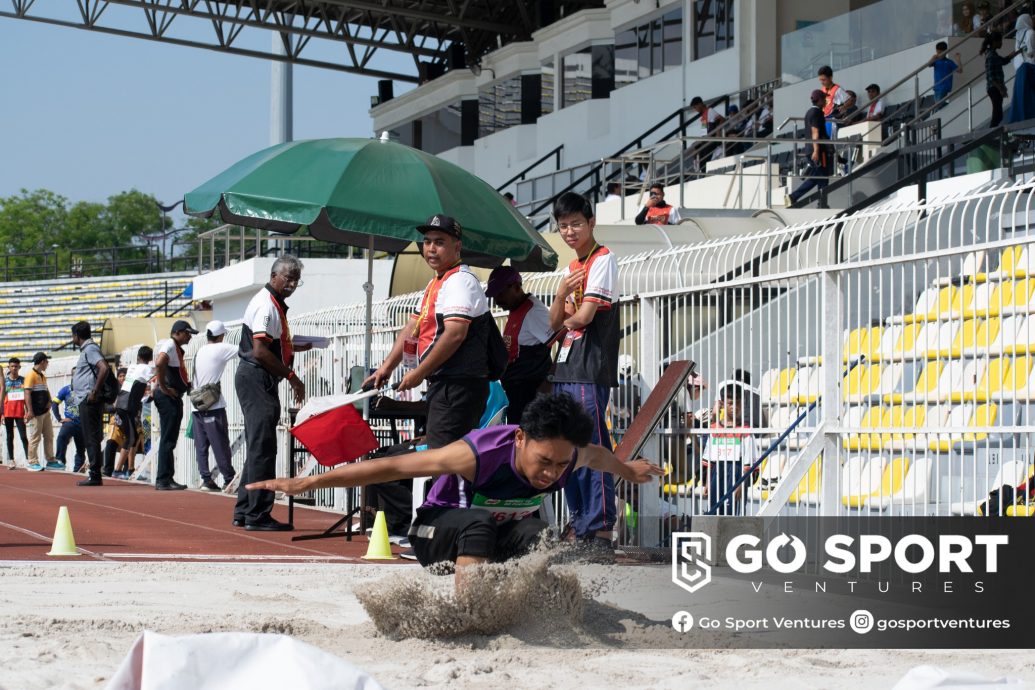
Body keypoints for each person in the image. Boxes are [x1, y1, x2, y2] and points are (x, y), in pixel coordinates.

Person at [247, 393, 664, 586]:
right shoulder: (473, 455)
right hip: (436, 537)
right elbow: (388, 466)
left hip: (490, 539)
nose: (551, 474)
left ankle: (522, 601)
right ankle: (472, 610)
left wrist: (627, 470)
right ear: (519, 439)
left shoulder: (571, 454)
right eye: (543, 462)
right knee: (479, 522)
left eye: (559, 465)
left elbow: (599, 457)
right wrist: (309, 481)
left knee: (538, 535)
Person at [363, 215, 491, 448]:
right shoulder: (437, 282)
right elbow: (412, 327)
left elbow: (455, 334)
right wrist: (386, 367)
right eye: (427, 241)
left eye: (439, 242)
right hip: (444, 384)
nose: (431, 248)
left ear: (457, 246)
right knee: (438, 457)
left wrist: (419, 372)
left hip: (459, 385)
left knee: (443, 462)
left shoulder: (460, 281)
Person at [548, 192, 621, 555]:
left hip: (590, 366)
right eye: (563, 226)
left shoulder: (602, 259)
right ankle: (579, 524)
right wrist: (561, 293)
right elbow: (552, 321)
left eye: (576, 223)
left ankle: (601, 528)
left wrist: (564, 317)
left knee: (591, 445)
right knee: (566, 448)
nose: (570, 232)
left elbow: (583, 317)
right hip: (566, 365)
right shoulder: (570, 270)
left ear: (591, 222)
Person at [233, 255, 310, 531]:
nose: (291, 283)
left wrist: (294, 348)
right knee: (264, 447)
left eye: (296, 280)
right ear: (274, 275)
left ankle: (245, 509)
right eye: (288, 277)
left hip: (256, 376)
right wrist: (291, 376)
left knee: (258, 445)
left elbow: (270, 345)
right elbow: (260, 350)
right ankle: (257, 514)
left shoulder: (272, 304)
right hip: (256, 376)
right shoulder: (267, 306)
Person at [485, 266, 554, 425]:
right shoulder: (517, 310)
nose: (497, 300)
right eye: (494, 295)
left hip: (530, 393)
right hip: (517, 392)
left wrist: (549, 380)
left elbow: (562, 338)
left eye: (501, 293)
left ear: (516, 287)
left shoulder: (534, 311)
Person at [191, 320, 238, 491]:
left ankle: (206, 479)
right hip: (213, 405)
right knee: (220, 443)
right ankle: (229, 478)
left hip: (197, 406)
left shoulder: (200, 350)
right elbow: (248, 351)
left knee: (201, 445)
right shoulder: (221, 348)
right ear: (220, 335)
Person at [153, 320, 198, 491]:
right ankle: (163, 479)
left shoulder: (174, 346)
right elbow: (159, 362)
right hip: (168, 398)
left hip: (171, 396)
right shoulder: (170, 344)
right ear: (178, 332)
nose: (189, 337)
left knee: (169, 439)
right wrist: (164, 388)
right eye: (188, 333)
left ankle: (167, 477)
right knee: (168, 439)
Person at [704, 383, 758, 516]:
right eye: (730, 403)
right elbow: (709, 458)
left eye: (738, 403)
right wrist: (707, 482)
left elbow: (748, 462)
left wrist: (741, 484)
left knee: (734, 515)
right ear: (722, 404)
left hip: (736, 472)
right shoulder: (715, 428)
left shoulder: (745, 430)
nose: (735, 407)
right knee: (715, 512)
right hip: (717, 472)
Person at [71, 320, 111, 486]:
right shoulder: (88, 349)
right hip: (86, 399)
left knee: (91, 436)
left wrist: (94, 391)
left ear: (77, 336)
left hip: (89, 399)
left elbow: (104, 367)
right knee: (91, 436)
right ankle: (94, 472)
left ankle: (95, 474)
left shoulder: (90, 349)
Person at [787, 89, 833, 207]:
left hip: (811, 149)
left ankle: (796, 197)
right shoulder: (816, 113)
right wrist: (817, 151)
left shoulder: (809, 112)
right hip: (817, 150)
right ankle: (821, 203)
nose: (826, 101)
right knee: (822, 178)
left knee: (817, 177)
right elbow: (815, 132)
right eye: (824, 98)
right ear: (820, 100)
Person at [114, 347, 153, 480]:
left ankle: (130, 470)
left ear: (138, 357)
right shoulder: (146, 369)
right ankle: (118, 470)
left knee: (133, 437)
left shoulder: (132, 367)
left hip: (122, 403)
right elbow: (156, 377)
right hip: (128, 406)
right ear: (150, 358)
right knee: (131, 438)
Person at [23, 352, 57, 472]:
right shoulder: (31, 375)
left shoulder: (42, 375)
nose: (47, 364)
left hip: (45, 411)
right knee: (35, 437)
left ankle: (50, 460)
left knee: (49, 436)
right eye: (47, 362)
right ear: (42, 361)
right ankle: (32, 461)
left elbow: (46, 389)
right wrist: (30, 411)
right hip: (36, 412)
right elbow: (27, 393)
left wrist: (49, 400)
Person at [2, 358, 29, 468]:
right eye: (12, 366)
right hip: (7, 412)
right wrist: (2, 414)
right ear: (8, 367)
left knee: (23, 436)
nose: (14, 368)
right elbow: (1, 398)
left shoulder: (23, 380)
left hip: (20, 412)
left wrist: (27, 412)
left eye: (16, 366)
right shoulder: (4, 382)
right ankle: (11, 460)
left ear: (19, 367)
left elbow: (27, 397)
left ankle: (29, 459)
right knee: (9, 436)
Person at [1009, 14, 1035, 123]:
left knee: (1021, 96)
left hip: (1020, 69)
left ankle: (1020, 119)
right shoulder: (1030, 32)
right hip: (1031, 67)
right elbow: (1031, 52)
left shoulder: (1018, 35)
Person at [53, 384, 85, 472]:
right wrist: (59, 419)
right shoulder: (66, 389)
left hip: (83, 423)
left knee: (81, 447)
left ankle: (78, 468)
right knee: (61, 437)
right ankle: (60, 461)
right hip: (70, 421)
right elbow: (54, 403)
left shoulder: (86, 388)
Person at [983, 31, 1012, 127]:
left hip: (995, 88)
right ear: (995, 42)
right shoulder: (991, 56)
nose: (1001, 43)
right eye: (1000, 41)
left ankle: (990, 135)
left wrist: (1014, 54)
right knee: (997, 115)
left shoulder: (993, 54)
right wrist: (1000, 89)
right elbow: (990, 76)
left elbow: (1003, 61)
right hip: (994, 88)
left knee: (998, 115)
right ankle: (989, 136)